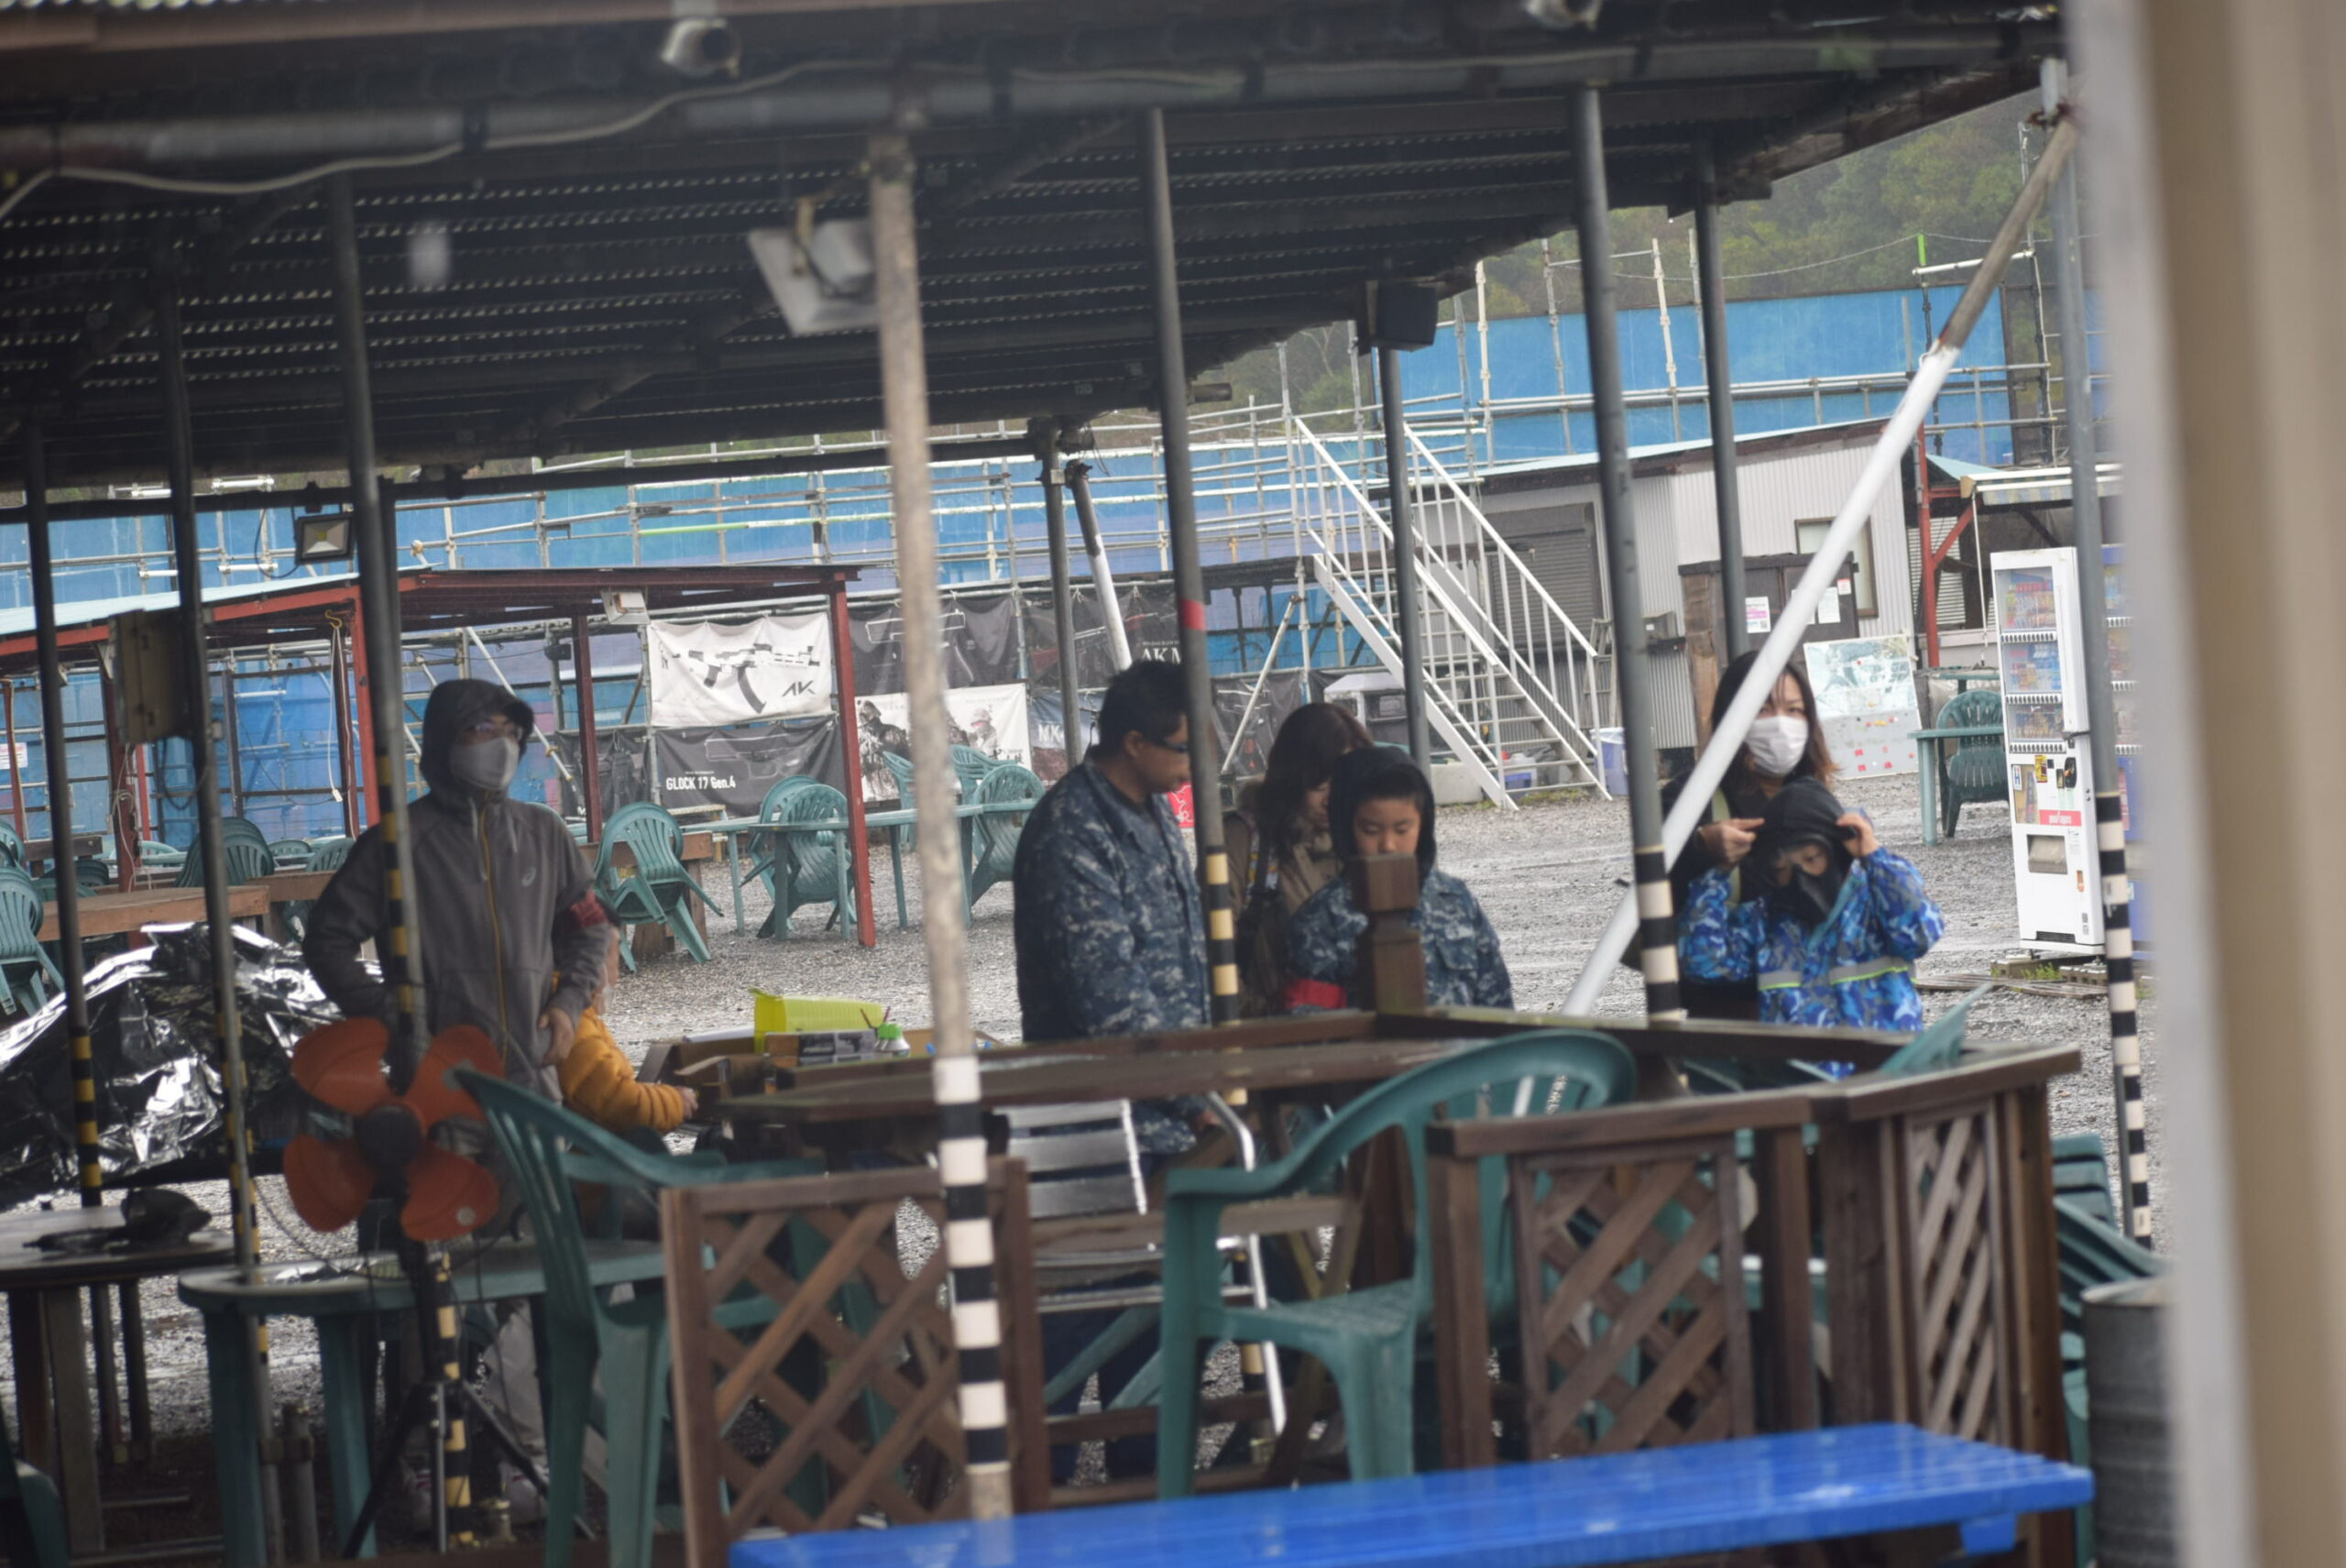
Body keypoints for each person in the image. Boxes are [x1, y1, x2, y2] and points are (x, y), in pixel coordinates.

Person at [306, 678, 613, 1090]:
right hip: (438, 1085)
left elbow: (590, 924)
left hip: (534, 1077)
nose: (501, 744)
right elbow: (327, 941)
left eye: (511, 732)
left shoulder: (544, 832)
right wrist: (392, 1018)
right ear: (444, 738)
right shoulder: (398, 843)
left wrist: (569, 1002)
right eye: (484, 729)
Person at [1012, 657, 1205, 1057]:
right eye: (1185, 749)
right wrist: (1189, 1083)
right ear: (1135, 744)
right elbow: (1108, 997)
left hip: (1180, 1068)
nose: (1196, 765)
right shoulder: (1071, 831)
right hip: (1110, 1083)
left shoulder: (1153, 803)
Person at [1678, 776, 1944, 1044]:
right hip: (1800, 1067)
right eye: (1782, 868)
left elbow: (1919, 934)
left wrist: (1875, 857)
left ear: (1836, 851)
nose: (1801, 878)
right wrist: (1718, 874)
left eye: (1812, 859)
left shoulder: (1874, 901)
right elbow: (1704, 963)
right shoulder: (1765, 920)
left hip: (1882, 1065)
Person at [1652, 650, 1840, 1019]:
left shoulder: (1816, 799)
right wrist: (1701, 847)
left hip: (1817, 1009)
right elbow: (1654, 888)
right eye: (1763, 709)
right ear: (1732, 715)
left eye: (1794, 710)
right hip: (1731, 1013)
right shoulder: (1689, 797)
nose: (1781, 724)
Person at [1284, 747, 1512, 1011]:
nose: (1388, 845)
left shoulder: (1456, 901)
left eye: (1402, 829)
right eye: (1371, 830)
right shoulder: (1321, 920)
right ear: (1346, 828)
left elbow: (1499, 1009)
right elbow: (1312, 1026)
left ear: (1423, 826)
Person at [1222, 703, 1374, 1015]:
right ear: (1291, 776)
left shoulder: (1369, 839)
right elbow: (1211, 950)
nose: (1332, 797)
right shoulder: (1247, 841)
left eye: (1343, 781)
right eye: (1319, 783)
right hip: (1272, 1034)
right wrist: (1264, 1019)